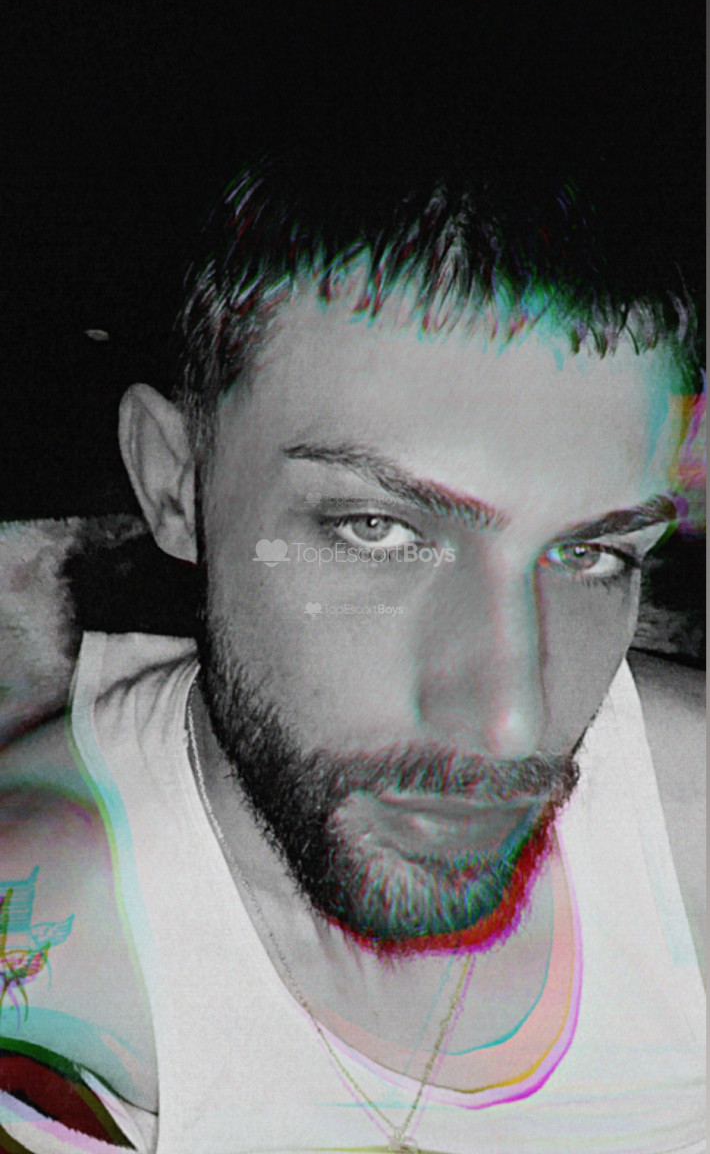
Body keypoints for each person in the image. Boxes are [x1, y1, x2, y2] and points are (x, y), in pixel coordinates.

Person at [0, 151, 704, 1154]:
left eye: (588, 553)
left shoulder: (689, 838)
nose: (510, 723)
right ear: (176, 486)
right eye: (377, 530)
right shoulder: (53, 971)